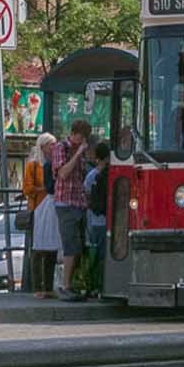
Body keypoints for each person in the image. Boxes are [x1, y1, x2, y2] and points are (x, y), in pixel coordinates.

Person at [51, 119, 92, 301]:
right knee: (69, 245)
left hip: (79, 203)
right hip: (65, 203)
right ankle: (65, 284)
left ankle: (74, 282)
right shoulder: (62, 148)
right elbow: (62, 173)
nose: (81, 141)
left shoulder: (81, 152)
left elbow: (82, 176)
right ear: (74, 134)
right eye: (80, 138)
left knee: (78, 246)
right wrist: (77, 154)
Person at [23, 132, 57, 298]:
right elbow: (27, 189)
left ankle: (49, 287)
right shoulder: (33, 165)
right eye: (51, 144)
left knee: (51, 247)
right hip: (37, 207)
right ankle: (37, 287)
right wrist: (46, 189)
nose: (53, 147)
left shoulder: (54, 163)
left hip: (51, 208)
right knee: (37, 249)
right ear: (42, 146)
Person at [82, 141, 112, 295]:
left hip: (95, 219)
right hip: (107, 219)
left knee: (96, 253)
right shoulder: (111, 174)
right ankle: (101, 284)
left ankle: (94, 285)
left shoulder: (91, 175)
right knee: (104, 254)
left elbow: (86, 196)